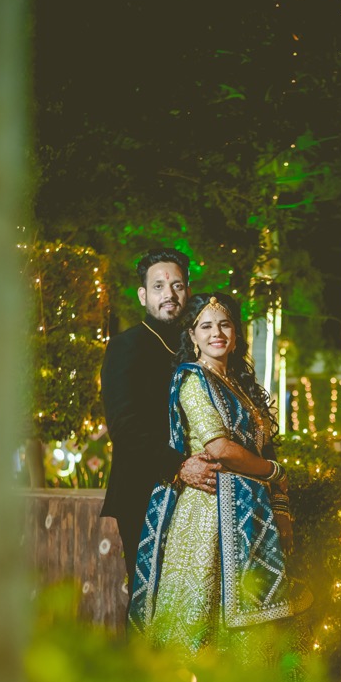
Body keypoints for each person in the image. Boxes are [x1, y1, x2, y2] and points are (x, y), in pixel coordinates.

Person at [129, 291, 312, 656]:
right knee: (201, 617)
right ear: (193, 336)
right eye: (206, 326)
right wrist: (276, 473)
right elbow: (219, 449)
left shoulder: (240, 387)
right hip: (208, 512)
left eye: (224, 324)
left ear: (236, 334)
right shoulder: (193, 380)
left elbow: (261, 449)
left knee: (255, 618)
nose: (217, 333)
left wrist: (280, 505)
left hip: (250, 514)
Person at [100, 248, 220, 599]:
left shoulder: (198, 346)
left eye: (177, 286)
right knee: (149, 598)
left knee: (192, 598)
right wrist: (179, 466)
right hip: (145, 488)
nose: (169, 294)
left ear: (188, 291)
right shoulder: (126, 346)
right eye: (158, 286)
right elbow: (123, 426)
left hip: (198, 491)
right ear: (143, 296)